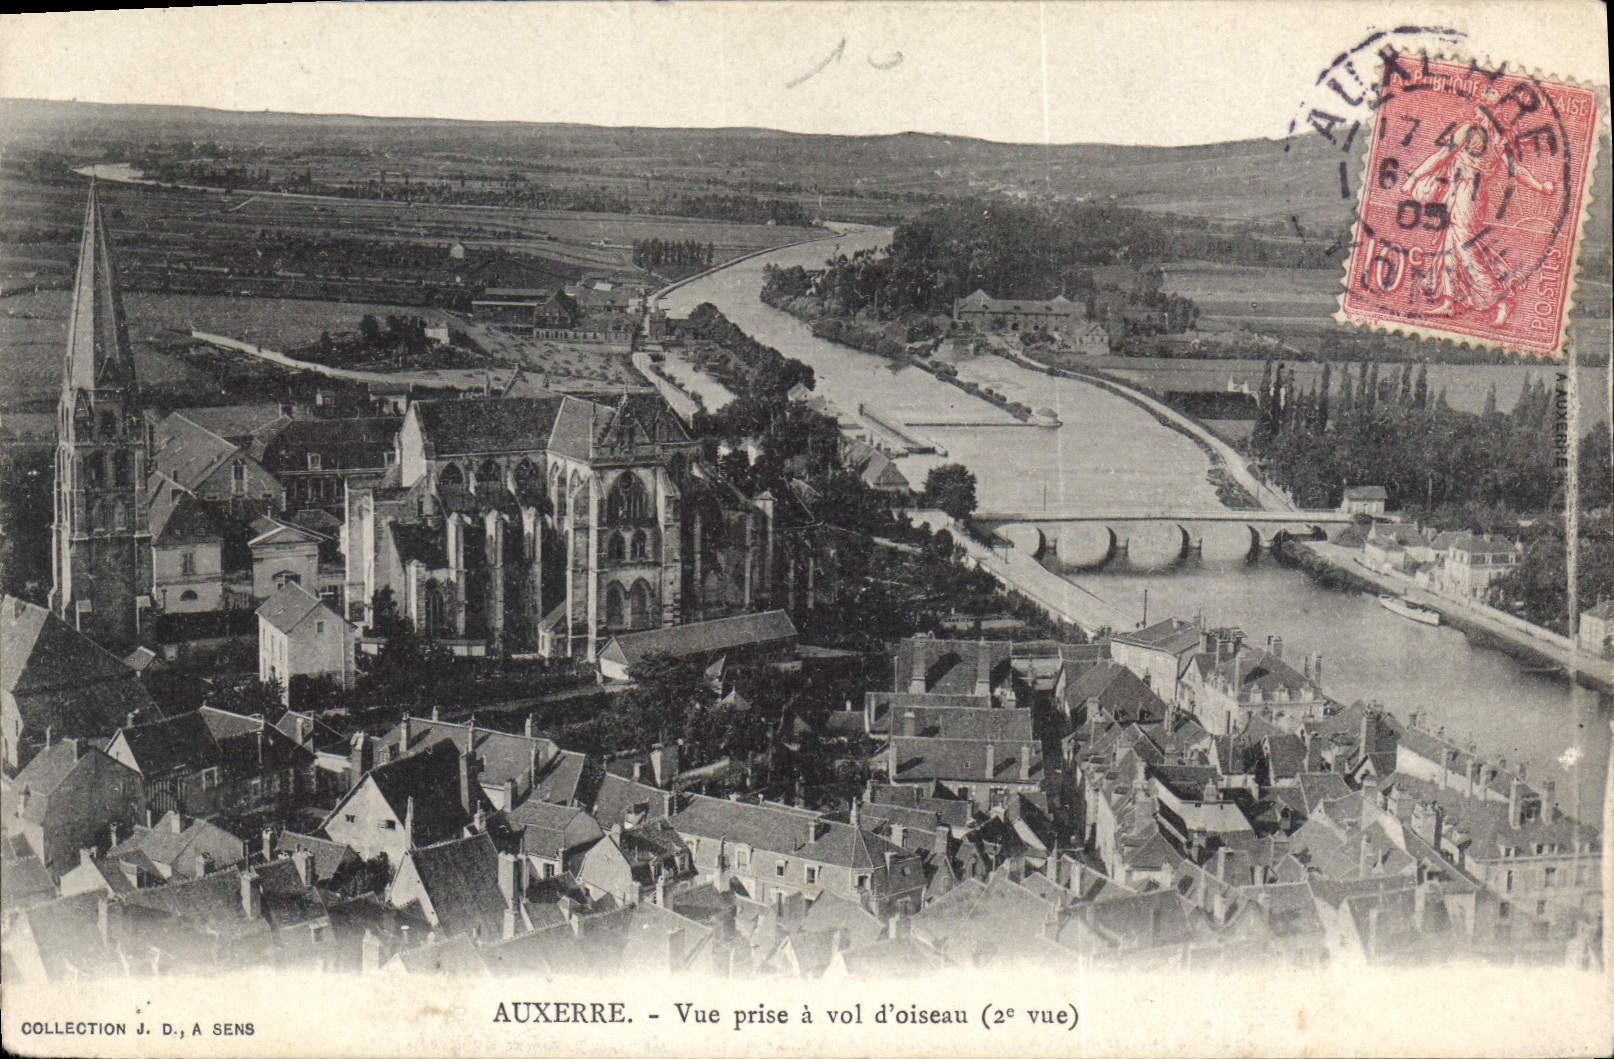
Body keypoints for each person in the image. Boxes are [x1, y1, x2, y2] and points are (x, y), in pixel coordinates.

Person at [1401, 111, 1555, 326]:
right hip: (1454, 194)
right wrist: (1415, 178)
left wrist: (1540, 187)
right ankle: (1448, 301)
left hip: (1471, 200)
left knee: (1465, 249)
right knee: (1449, 245)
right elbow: (1439, 157)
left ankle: (1501, 301)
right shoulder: (1466, 131)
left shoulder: (1499, 142)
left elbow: (1516, 170)